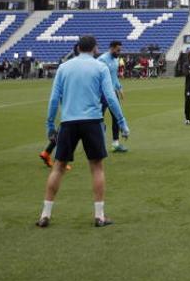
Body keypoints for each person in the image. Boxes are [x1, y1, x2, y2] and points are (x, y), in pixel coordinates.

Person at [36, 36, 129, 228]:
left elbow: (54, 99)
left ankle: (45, 214)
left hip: (69, 121)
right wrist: (121, 121)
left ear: (78, 48)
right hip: (92, 121)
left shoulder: (64, 67)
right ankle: (99, 216)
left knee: (59, 167)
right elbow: (111, 98)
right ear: (95, 48)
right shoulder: (100, 67)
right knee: (96, 167)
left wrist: (49, 125)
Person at [99, 41, 128, 153]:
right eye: (118, 50)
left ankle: (115, 144)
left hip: (112, 92)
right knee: (98, 118)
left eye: (120, 50)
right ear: (111, 48)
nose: (119, 52)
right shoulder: (102, 60)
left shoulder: (116, 60)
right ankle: (97, 143)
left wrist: (119, 88)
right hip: (102, 94)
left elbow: (114, 76)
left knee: (116, 116)